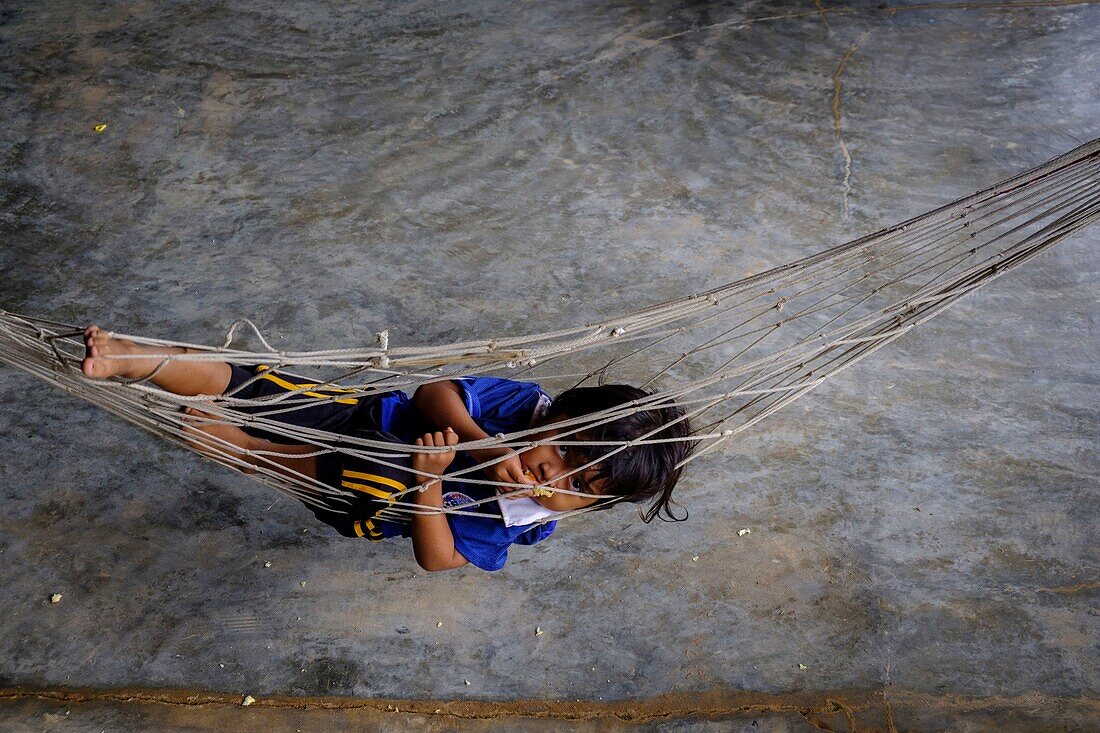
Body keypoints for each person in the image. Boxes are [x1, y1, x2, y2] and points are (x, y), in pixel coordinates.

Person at [81, 326, 694, 572]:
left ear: (590, 508)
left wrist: (431, 481)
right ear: (555, 415)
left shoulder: (522, 521)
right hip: (360, 414)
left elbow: (439, 557)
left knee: (379, 469)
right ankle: (131, 359)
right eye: (564, 450)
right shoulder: (521, 405)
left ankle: (244, 447)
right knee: (253, 382)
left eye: (580, 487)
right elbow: (434, 393)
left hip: (369, 493)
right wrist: (480, 448)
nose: (551, 476)